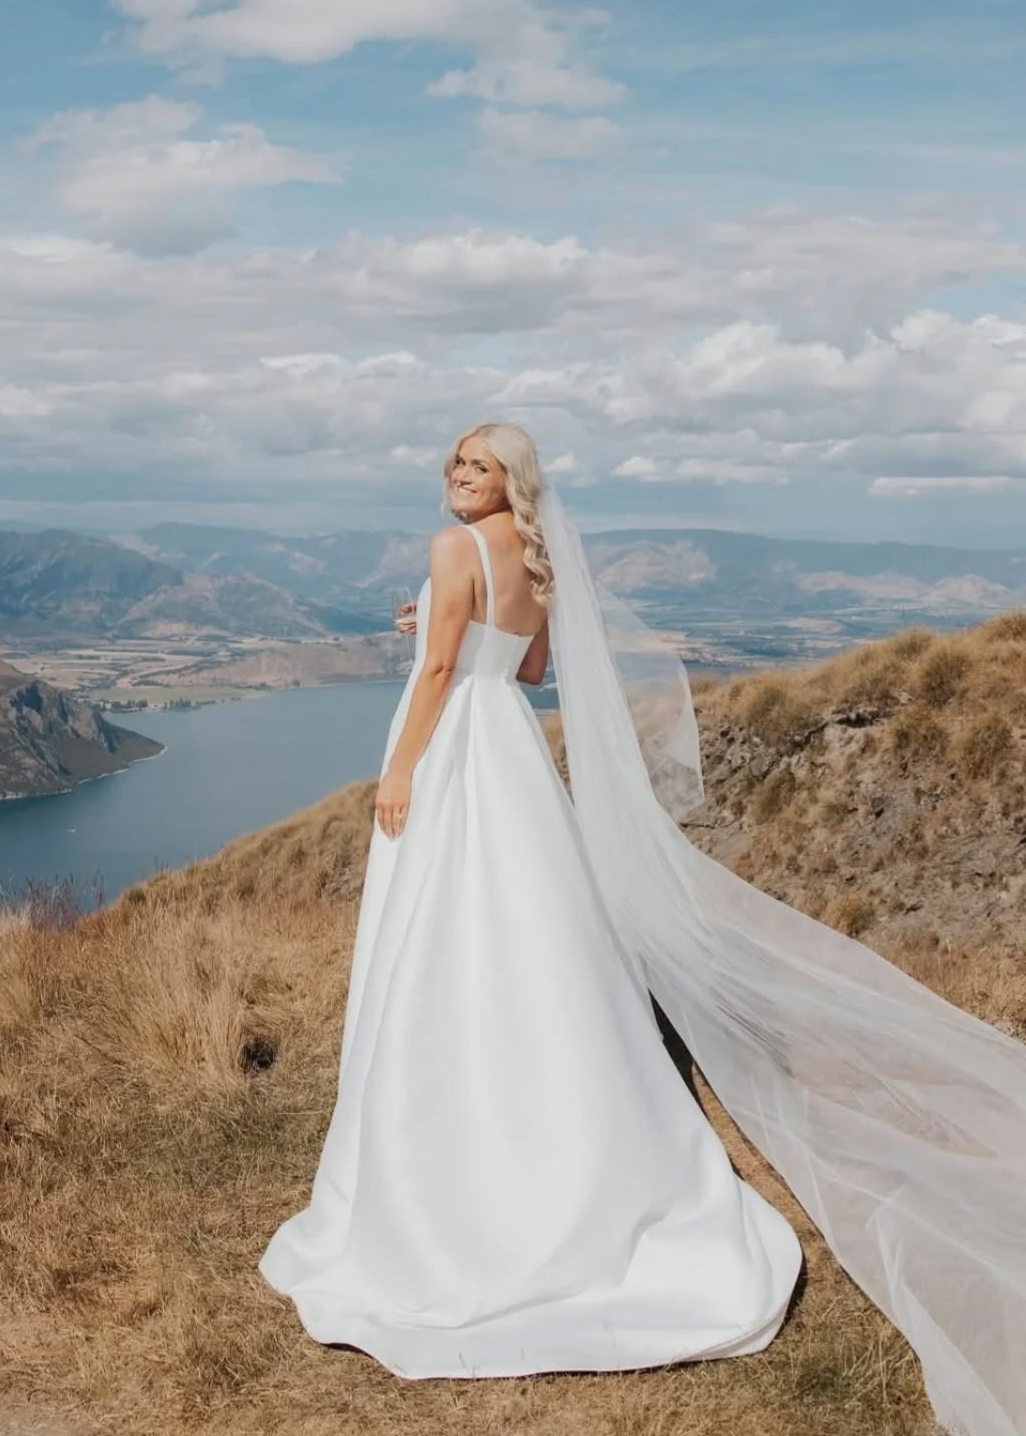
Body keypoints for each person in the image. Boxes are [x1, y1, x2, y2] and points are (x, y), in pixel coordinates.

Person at [260, 424, 1026, 1436]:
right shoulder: (532, 565)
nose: (457, 478)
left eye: (477, 469)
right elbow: (524, 670)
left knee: (441, 928)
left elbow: (444, 673)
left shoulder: (454, 553)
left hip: (455, 755)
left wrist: (399, 765)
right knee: (528, 930)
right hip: (513, 759)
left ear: (507, 485)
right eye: (453, 464)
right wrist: (443, 636)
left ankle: (443, 1142)